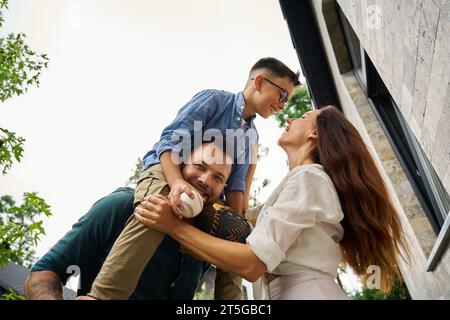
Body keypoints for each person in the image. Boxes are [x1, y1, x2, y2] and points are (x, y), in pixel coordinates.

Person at [135, 106, 411, 299]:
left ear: (314, 134)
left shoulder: (310, 179)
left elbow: (252, 264)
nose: (291, 118)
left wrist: (174, 226)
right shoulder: (300, 183)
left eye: (303, 116)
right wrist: (245, 170)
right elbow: (244, 218)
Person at [87, 57, 300, 299]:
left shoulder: (251, 137)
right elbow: (168, 142)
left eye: (288, 100)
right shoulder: (214, 100)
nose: (283, 105)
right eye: (283, 95)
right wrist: (177, 183)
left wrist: (241, 229)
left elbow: (236, 189)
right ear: (259, 81)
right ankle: (103, 295)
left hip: (206, 195)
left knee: (239, 240)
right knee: (161, 206)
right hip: (168, 172)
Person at [24, 142, 251, 300]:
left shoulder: (206, 242)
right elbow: (45, 272)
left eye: (218, 178)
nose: (204, 180)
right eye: (199, 166)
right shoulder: (121, 206)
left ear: (223, 190)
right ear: (180, 165)